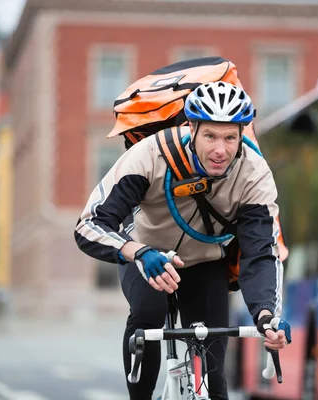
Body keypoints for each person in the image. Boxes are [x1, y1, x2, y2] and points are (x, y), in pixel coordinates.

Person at [75, 81, 291, 400]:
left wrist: (266, 316)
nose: (221, 149)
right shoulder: (151, 155)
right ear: (192, 128)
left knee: (215, 378)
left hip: (206, 263)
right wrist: (137, 252)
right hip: (147, 258)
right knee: (148, 315)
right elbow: (89, 225)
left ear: (241, 135)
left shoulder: (254, 173)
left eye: (231, 137)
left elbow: (260, 252)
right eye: (211, 136)